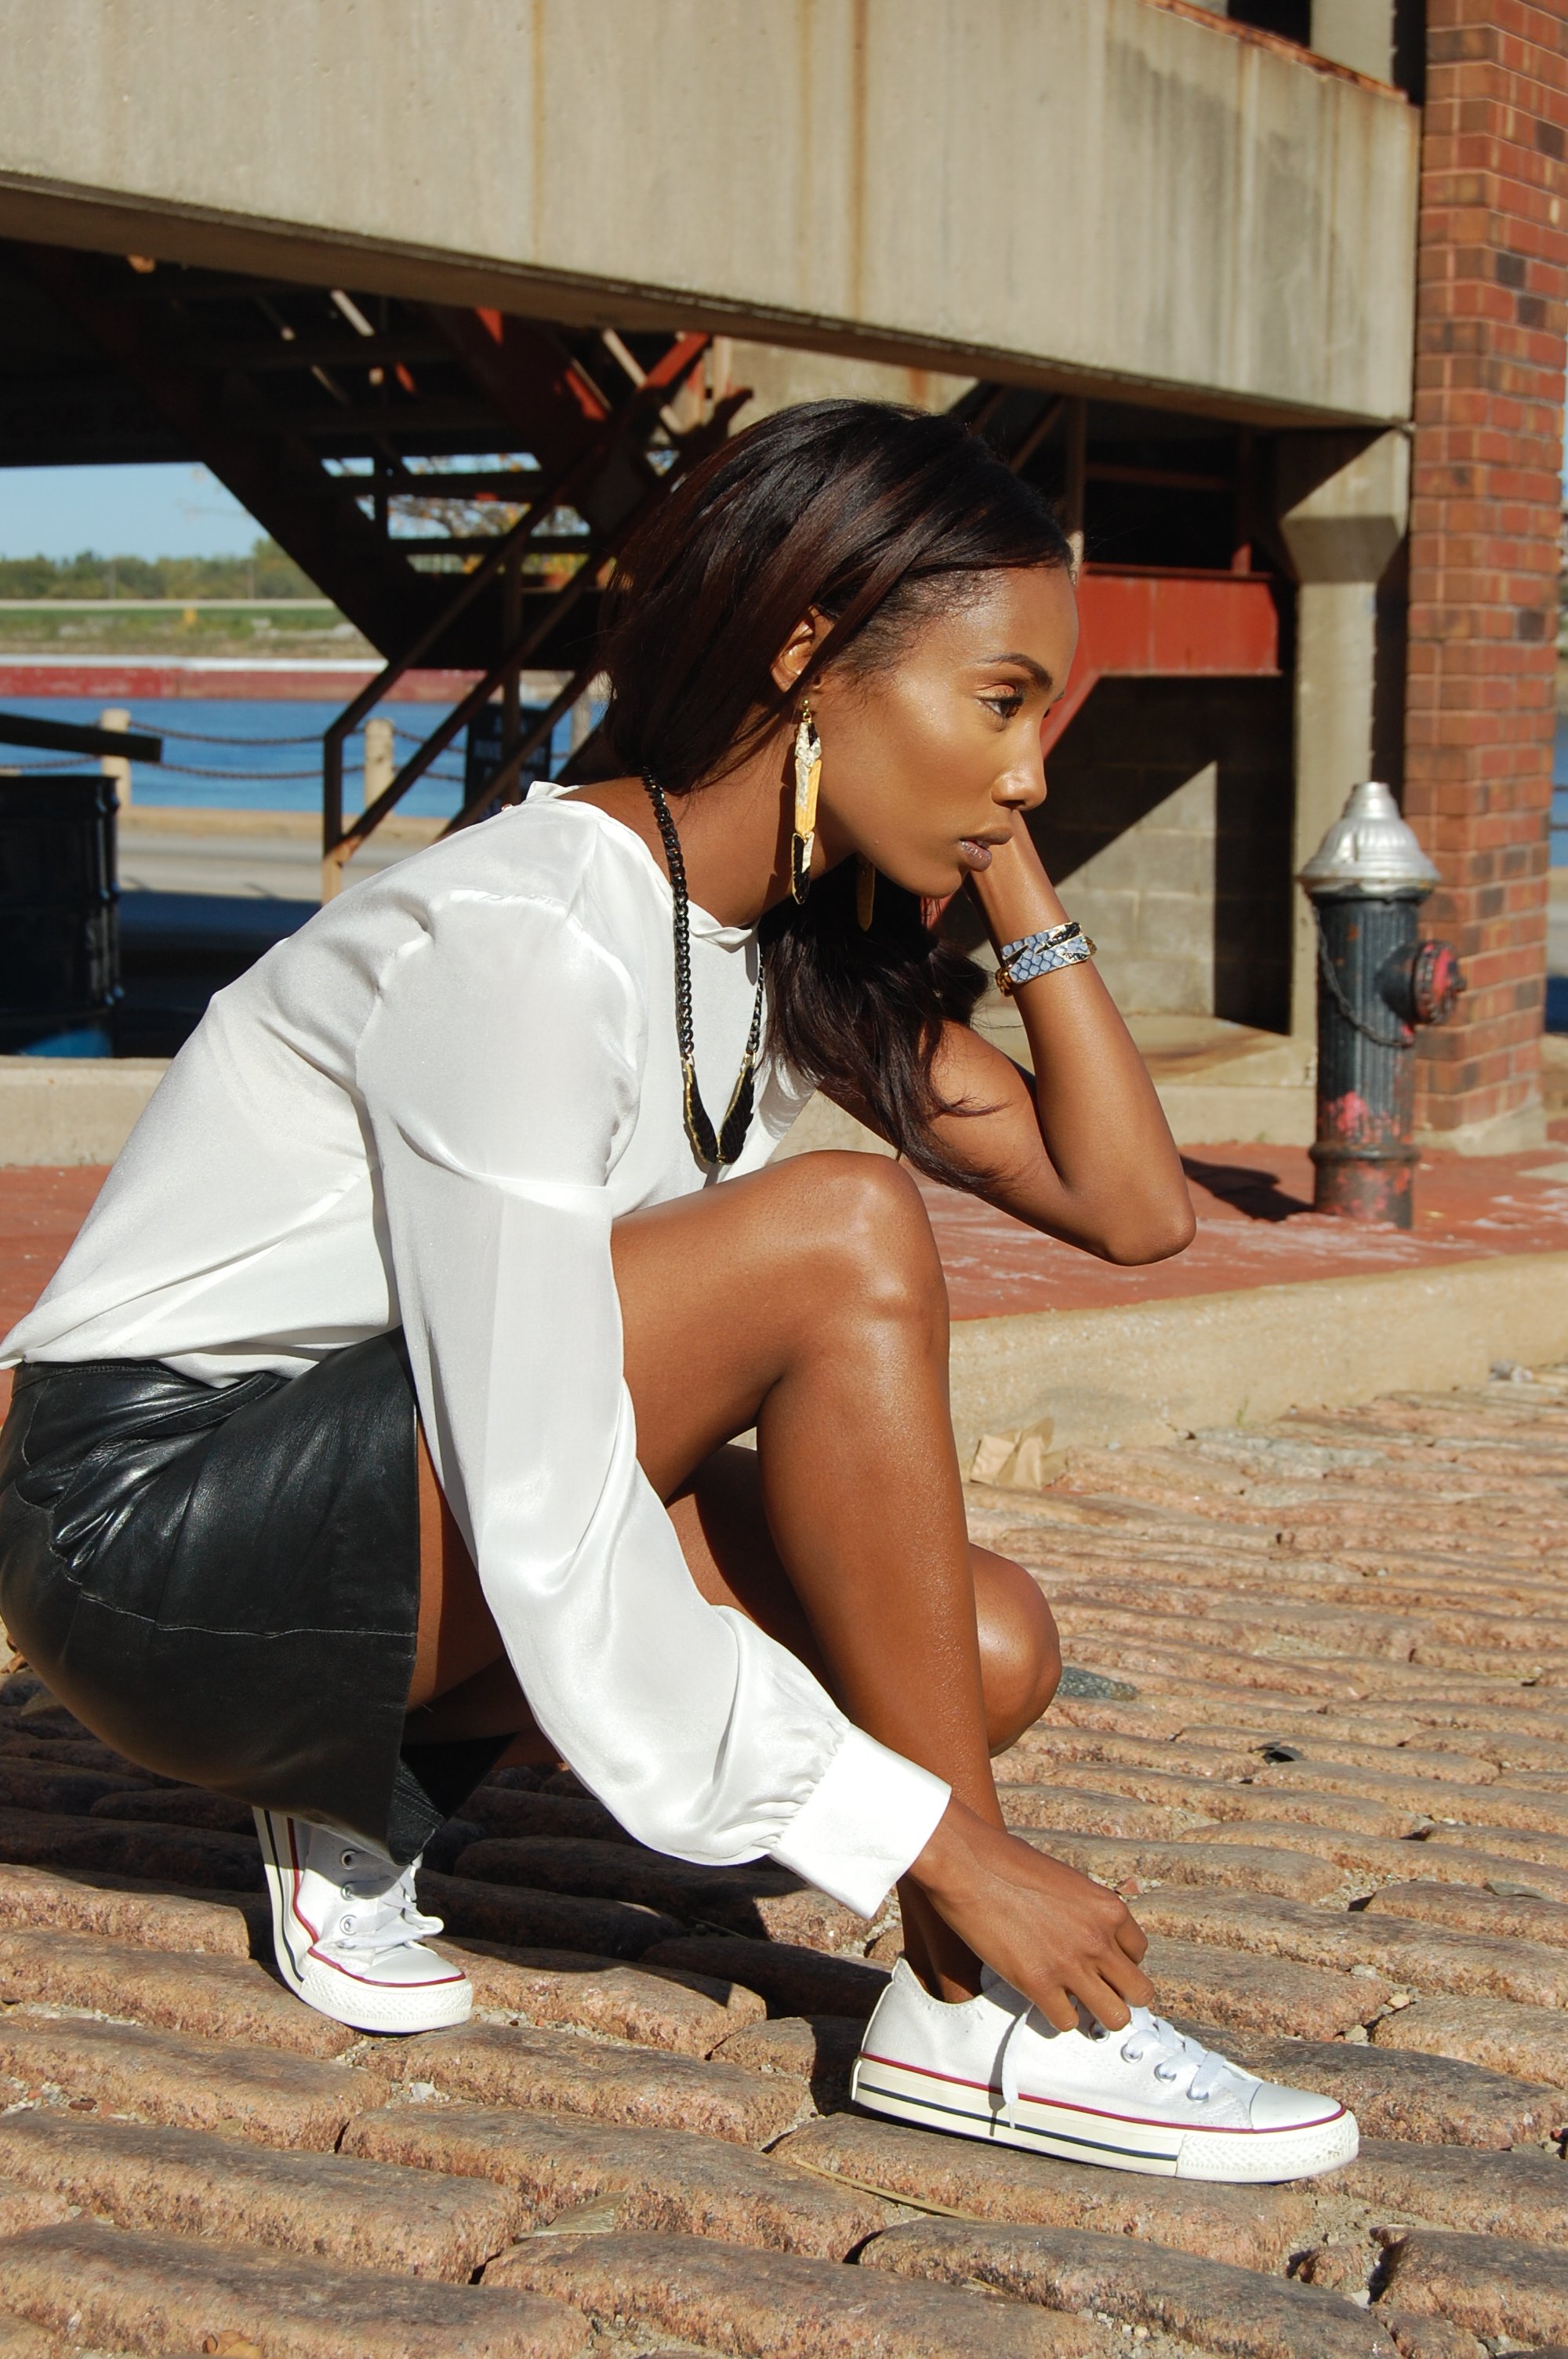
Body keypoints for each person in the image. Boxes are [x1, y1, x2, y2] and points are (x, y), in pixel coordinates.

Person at [0, 402, 1356, 2181]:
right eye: (1000, 701)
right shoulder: (533, 929)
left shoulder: (786, 954)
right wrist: (936, 1848)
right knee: (843, 1230)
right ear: (808, 656)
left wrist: (1008, 862)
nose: (1032, 764)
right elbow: (541, 1472)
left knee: (981, 1647)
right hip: (145, 1530)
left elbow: (1131, 1208)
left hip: (397, 1490)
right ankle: (963, 2008)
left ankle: (364, 1773)